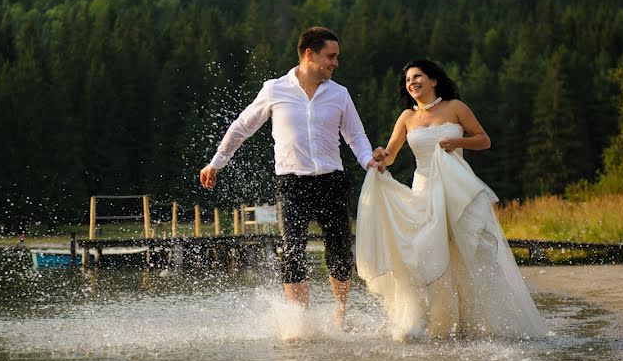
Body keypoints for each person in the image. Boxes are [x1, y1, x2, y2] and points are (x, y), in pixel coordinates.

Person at [199, 27, 379, 327]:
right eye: (330, 57)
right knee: (292, 249)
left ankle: (340, 316)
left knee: (338, 251)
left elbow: (356, 137)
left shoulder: (339, 94)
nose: (335, 63)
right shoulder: (274, 90)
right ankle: (300, 322)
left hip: (332, 181)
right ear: (310, 54)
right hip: (291, 185)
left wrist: (369, 162)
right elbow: (242, 126)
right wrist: (216, 163)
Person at [356, 59, 548, 339]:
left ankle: (475, 323)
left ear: (434, 80)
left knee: (466, 252)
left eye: (418, 76)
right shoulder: (407, 117)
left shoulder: (455, 108)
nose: (412, 83)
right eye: (408, 80)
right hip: (423, 191)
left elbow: (484, 140)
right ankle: (435, 322)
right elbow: (392, 156)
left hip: (456, 191)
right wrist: (379, 157)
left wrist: (458, 142)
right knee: (429, 253)